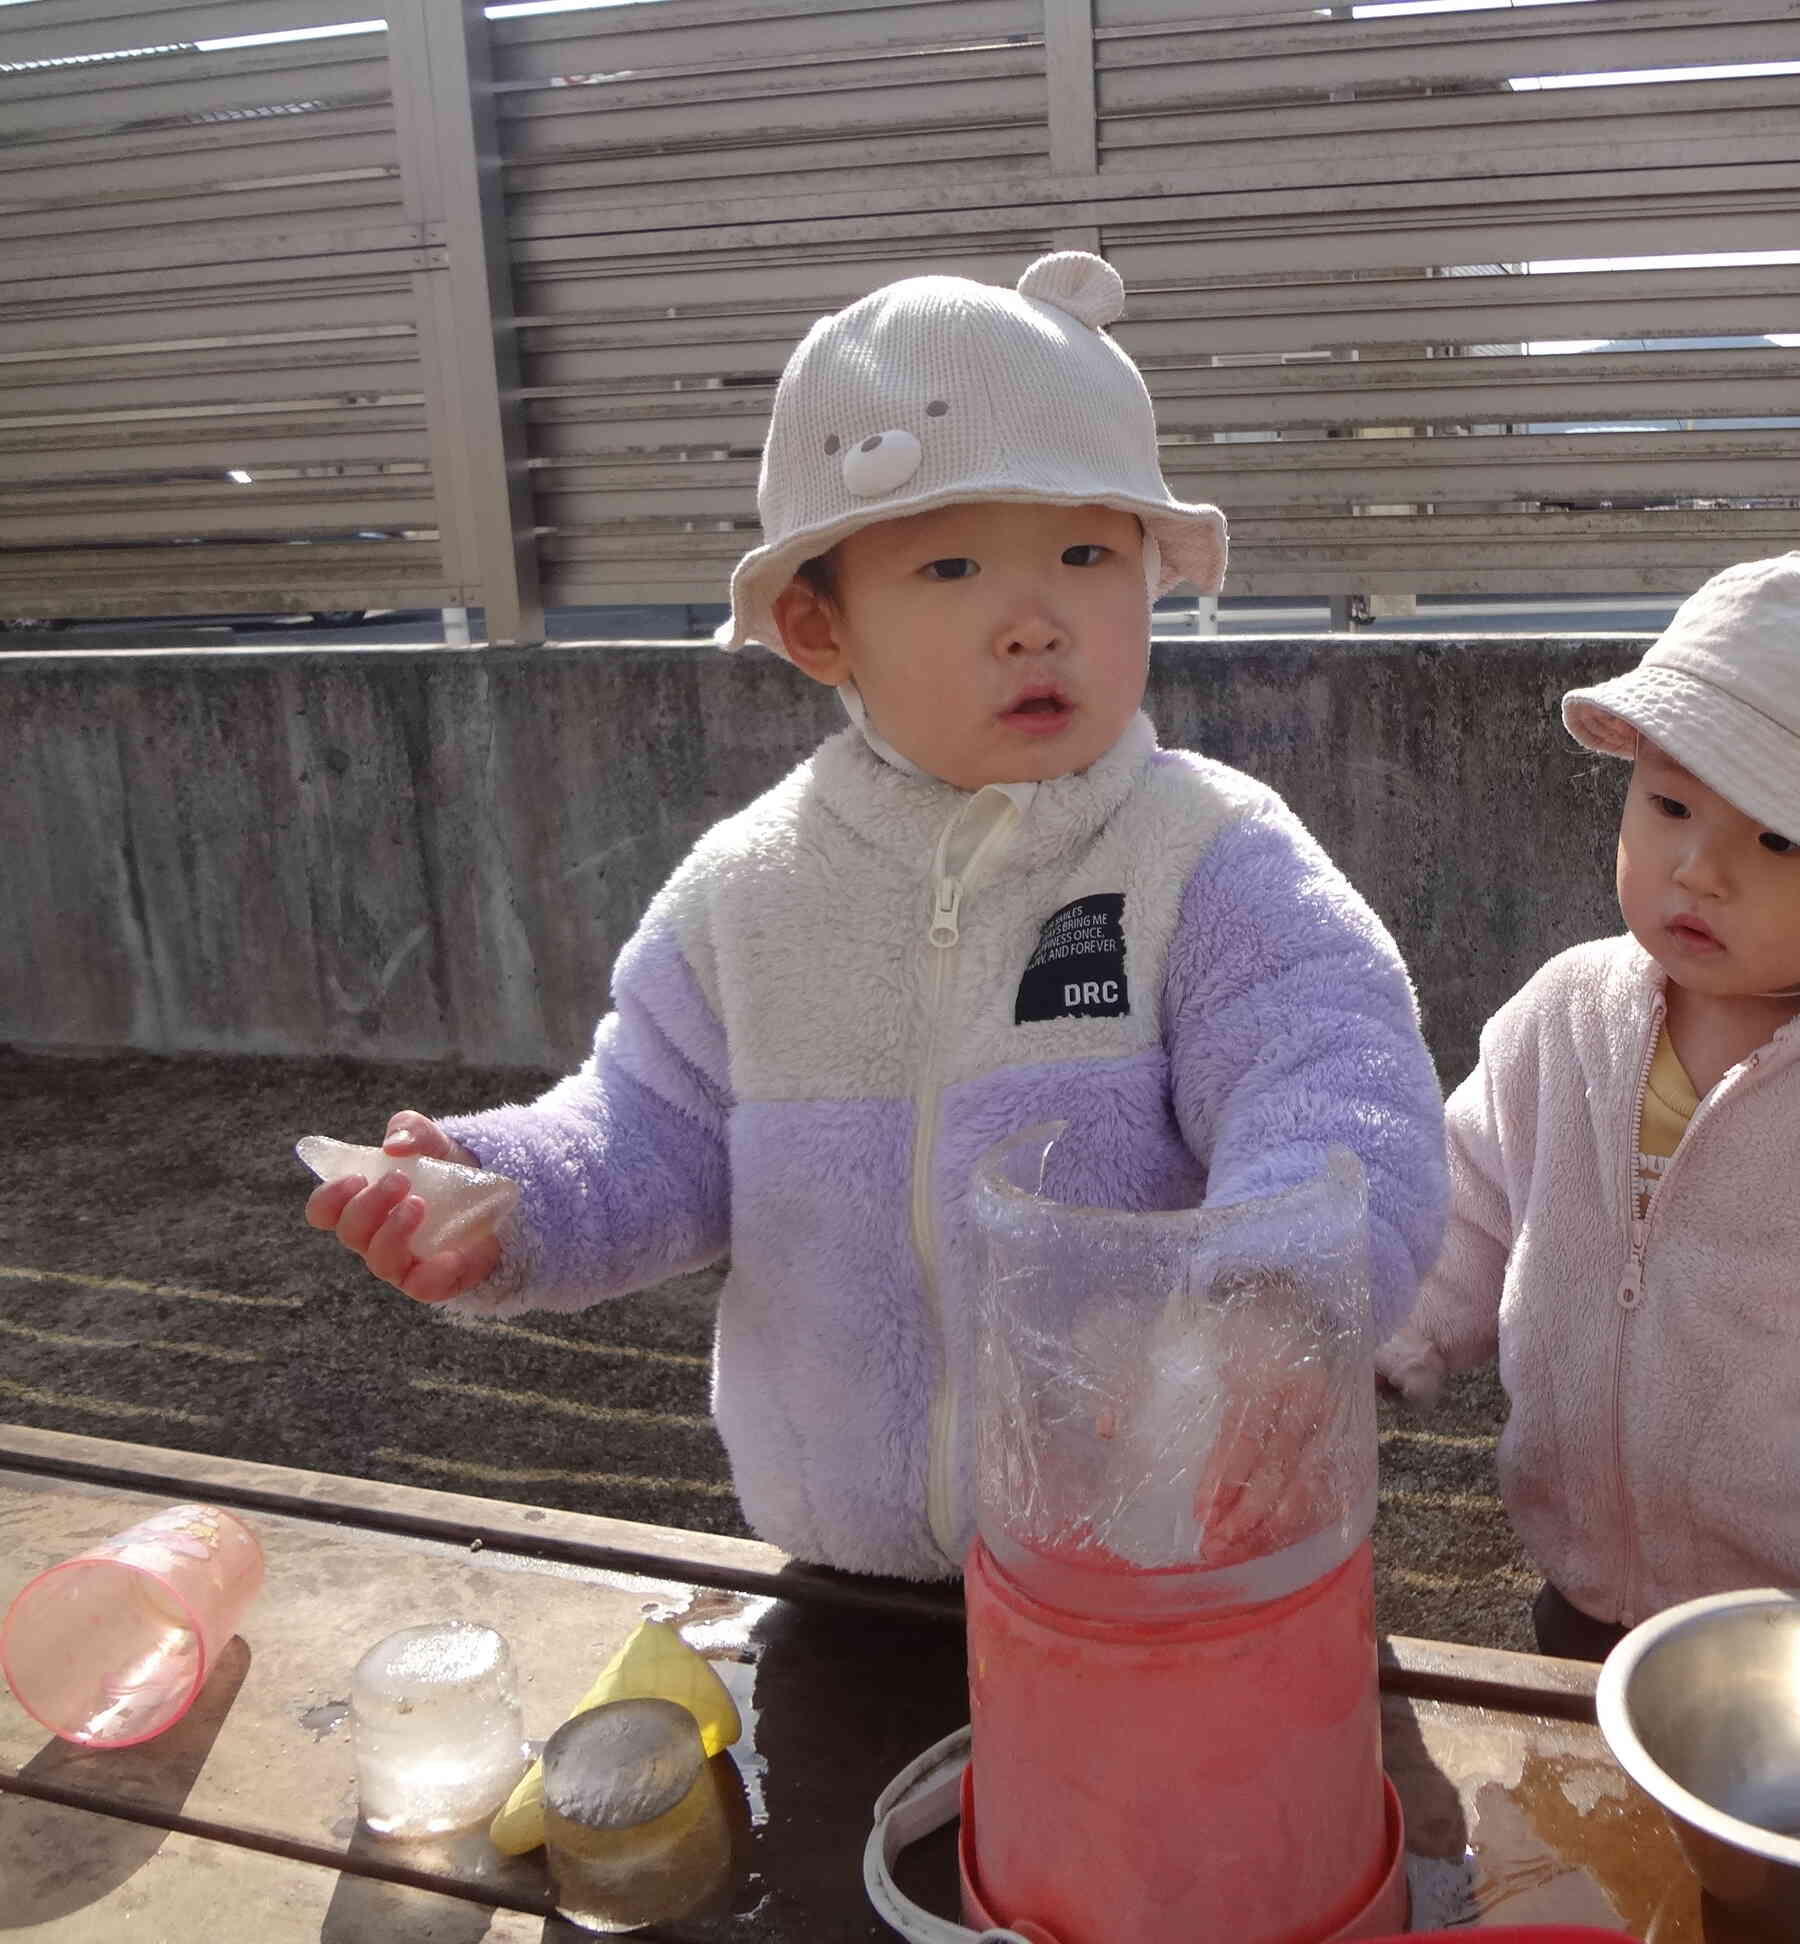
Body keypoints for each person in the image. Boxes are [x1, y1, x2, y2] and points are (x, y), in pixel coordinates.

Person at [305, 251, 1448, 1579]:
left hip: (1154, 1556)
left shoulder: (1205, 855)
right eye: (951, 567)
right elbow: (650, 1129)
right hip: (839, 1552)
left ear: (1150, 569)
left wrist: (1276, 1303)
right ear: (816, 627)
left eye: (1085, 551)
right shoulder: (754, 885)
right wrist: (505, 1202)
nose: (1033, 622)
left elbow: (1336, 1082)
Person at [1375, 552, 1800, 1660]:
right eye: (1668, 803)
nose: (1698, 868)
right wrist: (1371, 1337)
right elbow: (1463, 1201)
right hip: (1585, 1588)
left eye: (1780, 838)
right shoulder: (1564, 1017)